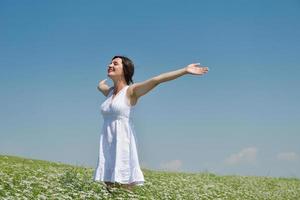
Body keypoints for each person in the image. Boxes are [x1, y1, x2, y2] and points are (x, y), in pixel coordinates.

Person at [93, 55, 209, 192]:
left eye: (115, 63)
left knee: (123, 185)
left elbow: (156, 80)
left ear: (125, 70)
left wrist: (184, 70)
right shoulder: (110, 93)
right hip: (108, 143)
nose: (110, 65)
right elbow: (102, 87)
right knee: (109, 187)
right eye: (110, 63)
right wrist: (100, 85)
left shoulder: (131, 91)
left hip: (123, 143)